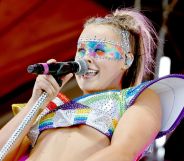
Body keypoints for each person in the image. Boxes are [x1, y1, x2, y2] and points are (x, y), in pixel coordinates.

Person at [0, 8, 184, 161]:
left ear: (126, 60)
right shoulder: (50, 106)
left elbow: (122, 154)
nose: (86, 58)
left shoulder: (134, 98)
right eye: (81, 50)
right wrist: (35, 102)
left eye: (99, 50)